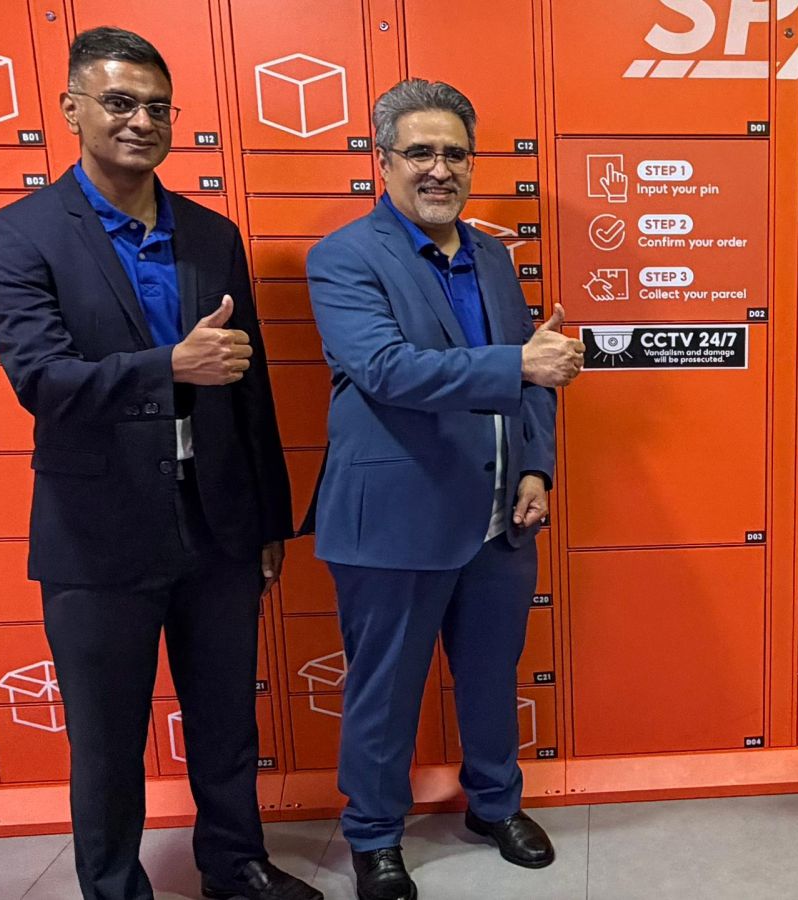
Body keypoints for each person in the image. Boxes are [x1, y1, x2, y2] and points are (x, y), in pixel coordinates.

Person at [0, 26, 319, 900]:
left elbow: (250, 387)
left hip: (219, 523)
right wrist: (168, 365)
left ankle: (235, 864)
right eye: (121, 103)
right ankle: (114, 886)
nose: (141, 122)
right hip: (97, 535)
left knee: (226, 720)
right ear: (72, 108)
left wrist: (268, 520)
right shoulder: (16, 234)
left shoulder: (210, 233)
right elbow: (42, 380)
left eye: (158, 108)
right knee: (107, 738)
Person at [303, 78, 582, 900]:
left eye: (455, 153)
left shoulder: (491, 256)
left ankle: (495, 805)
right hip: (394, 520)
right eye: (420, 152)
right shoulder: (344, 257)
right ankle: (374, 835)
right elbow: (385, 369)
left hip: (499, 518)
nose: (439, 169)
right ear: (382, 160)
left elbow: (535, 375)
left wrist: (535, 468)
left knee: (492, 677)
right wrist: (520, 362)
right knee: (385, 690)